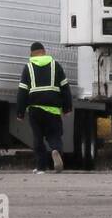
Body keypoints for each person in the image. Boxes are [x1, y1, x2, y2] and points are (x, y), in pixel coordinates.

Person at [16, 42, 72, 173]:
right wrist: (67, 108)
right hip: (52, 109)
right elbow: (65, 88)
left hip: (35, 109)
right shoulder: (55, 65)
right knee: (54, 135)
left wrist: (20, 112)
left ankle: (41, 167)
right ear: (44, 51)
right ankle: (56, 150)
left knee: (38, 137)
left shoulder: (28, 67)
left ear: (31, 53)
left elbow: (22, 92)